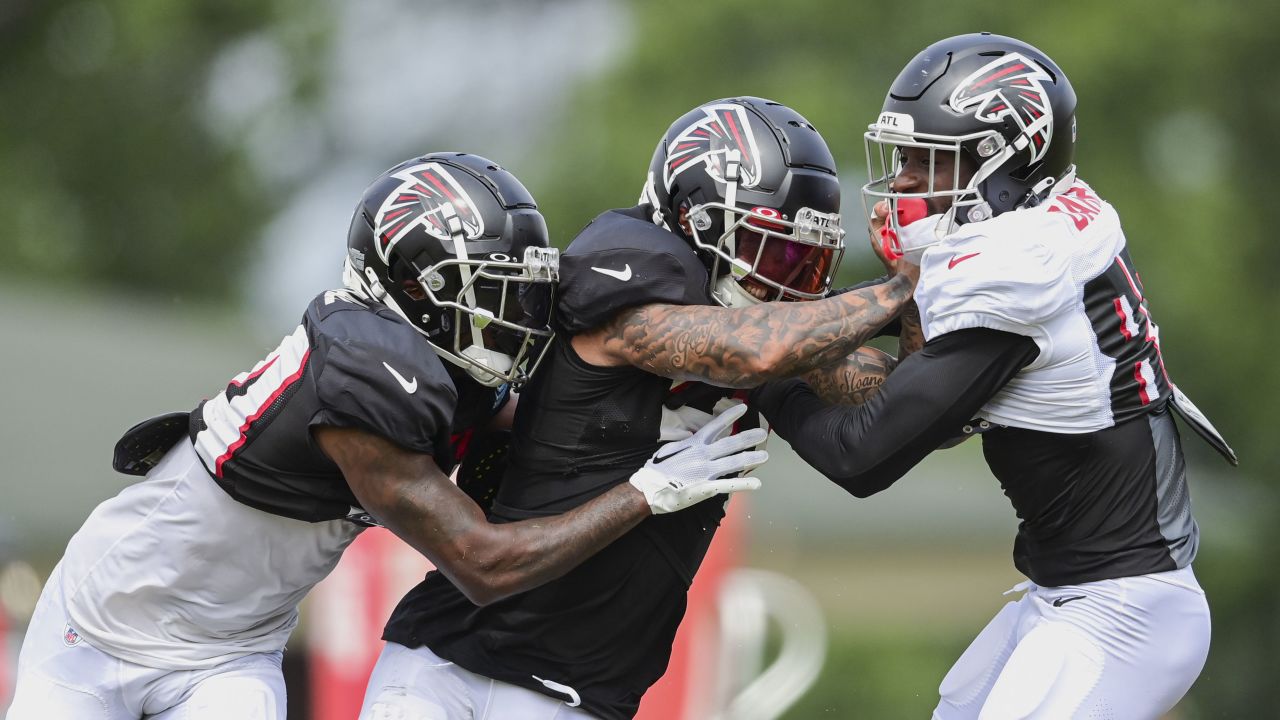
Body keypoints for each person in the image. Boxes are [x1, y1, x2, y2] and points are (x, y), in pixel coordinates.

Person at [3, 153, 769, 720]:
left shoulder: (437, 370)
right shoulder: (366, 368)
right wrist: (645, 491)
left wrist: (648, 419)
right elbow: (483, 563)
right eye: (494, 295)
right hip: (98, 627)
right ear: (415, 284)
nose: (517, 318)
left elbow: (543, 428)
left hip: (230, 652)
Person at [360, 98, 919, 720]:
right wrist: (904, 284)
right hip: (452, 666)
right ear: (694, 219)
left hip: (583, 697)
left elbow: (893, 410)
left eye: (803, 259)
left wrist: (927, 309)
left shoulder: (764, 332)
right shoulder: (630, 276)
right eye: (770, 250)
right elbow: (747, 352)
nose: (779, 279)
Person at [750, 33, 1238, 719]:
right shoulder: (1042, 227)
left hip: (1122, 615)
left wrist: (756, 372)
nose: (906, 179)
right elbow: (914, 369)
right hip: (1070, 594)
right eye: (905, 156)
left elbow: (860, 456)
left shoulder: (1018, 269)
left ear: (1006, 163)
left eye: (930, 159)